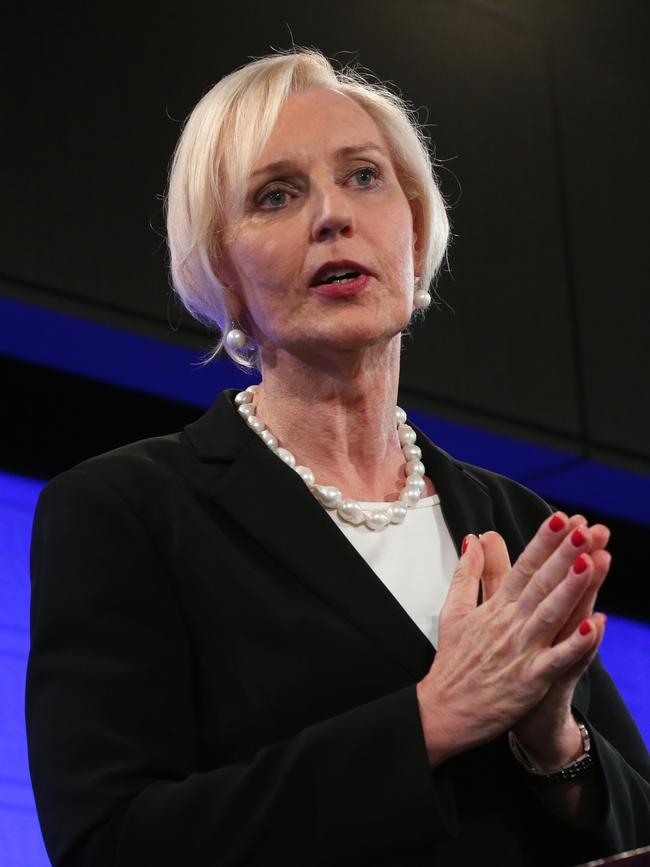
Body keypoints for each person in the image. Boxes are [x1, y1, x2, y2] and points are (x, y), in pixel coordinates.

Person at [26, 49, 650, 867]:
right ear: (226, 270)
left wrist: (553, 741)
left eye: (363, 177)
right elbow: (111, 843)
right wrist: (432, 717)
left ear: (415, 229)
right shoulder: (125, 512)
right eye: (276, 195)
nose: (331, 214)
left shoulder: (513, 521)